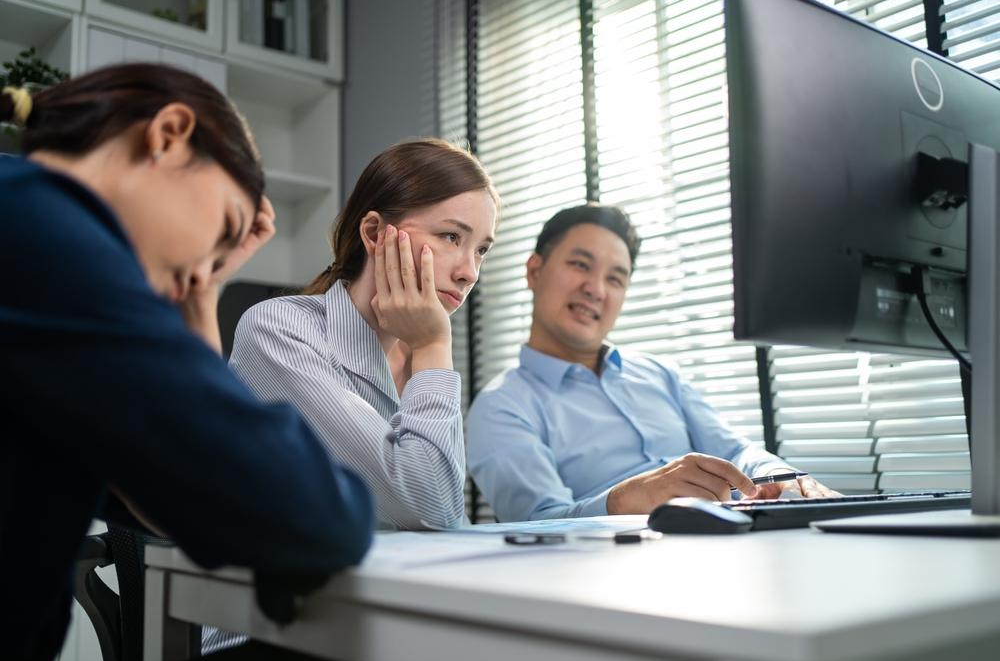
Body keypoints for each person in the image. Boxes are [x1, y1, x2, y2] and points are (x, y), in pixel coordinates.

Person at [0, 65, 373, 661]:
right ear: (170, 134)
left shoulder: (28, 223)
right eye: (225, 227)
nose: (204, 271)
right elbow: (315, 514)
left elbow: (189, 494)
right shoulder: (48, 231)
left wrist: (204, 294)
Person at [466, 204, 836, 522]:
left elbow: (735, 451)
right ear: (534, 271)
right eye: (581, 265)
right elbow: (538, 522)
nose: (596, 289)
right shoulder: (499, 407)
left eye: (615, 278)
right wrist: (625, 500)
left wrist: (779, 476)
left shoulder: (661, 374)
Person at [229, 139, 499, 529]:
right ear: (374, 233)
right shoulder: (277, 331)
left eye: (481, 250)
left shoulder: (419, 360)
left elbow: (452, 522)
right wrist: (432, 345)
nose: (469, 272)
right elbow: (431, 507)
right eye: (451, 237)